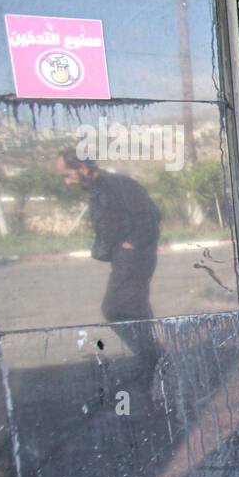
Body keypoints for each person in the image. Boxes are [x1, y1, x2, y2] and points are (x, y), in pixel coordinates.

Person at [55, 148, 162, 373]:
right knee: (133, 309)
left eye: (67, 175)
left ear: (82, 168)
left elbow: (151, 216)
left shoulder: (117, 184)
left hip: (134, 257)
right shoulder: (100, 188)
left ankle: (155, 359)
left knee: (115, 309)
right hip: (124, 257)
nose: (67, 182)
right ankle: (154, 362)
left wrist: (131, 244)